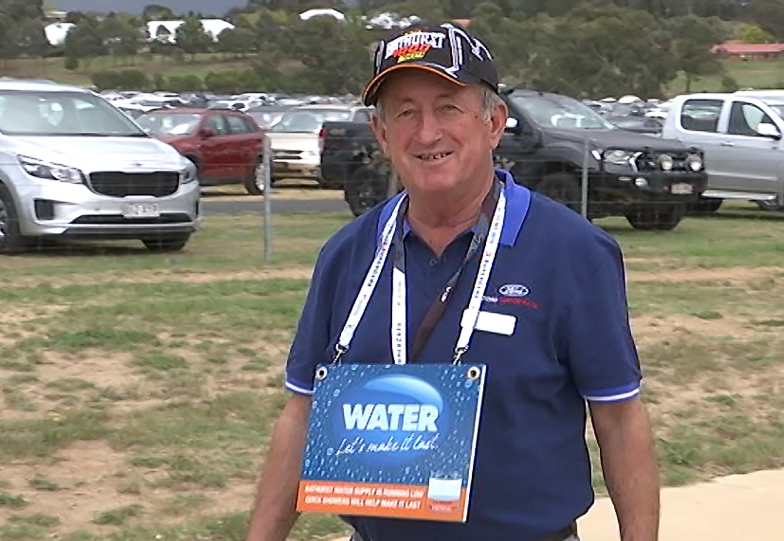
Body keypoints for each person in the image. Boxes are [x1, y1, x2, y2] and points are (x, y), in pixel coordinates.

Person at [245, 21, 659, 541]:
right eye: (405, 112)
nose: (426, 133)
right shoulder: (348, 253)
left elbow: (619, 418)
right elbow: (302, 412)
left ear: (494, 123)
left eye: (448, 107)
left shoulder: (573, 251)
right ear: (381, 134)